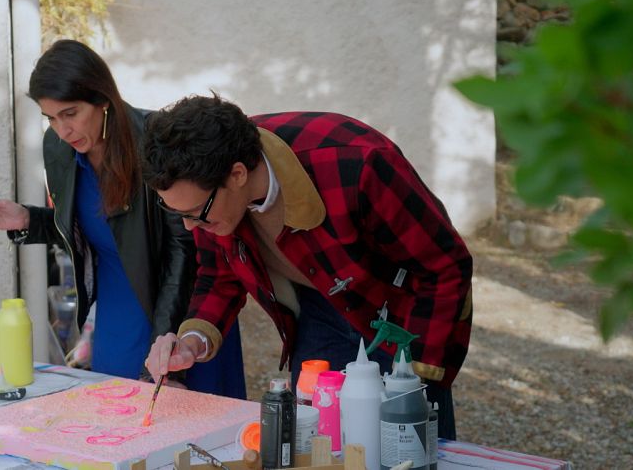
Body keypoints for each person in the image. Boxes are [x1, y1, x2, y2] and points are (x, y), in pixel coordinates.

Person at [141, 94, 472, 438]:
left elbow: (445, 265)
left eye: (195, 213)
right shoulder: (208, 189)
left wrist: (415, 372)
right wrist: (192, 341)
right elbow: (218, 276)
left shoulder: (360, 163)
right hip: (319, 308)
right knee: (315, 437)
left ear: (237, 174)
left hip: (403, 312)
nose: (190, 226)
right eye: (178, 214)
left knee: (408, 440)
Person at [0, 42, 246, 399]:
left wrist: (168, 350)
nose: (62, 130)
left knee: (193, 420)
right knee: (115, 414)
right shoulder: (58, 147)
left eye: (70, 113)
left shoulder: (155, 138)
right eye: (51, 118)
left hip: (182, 308)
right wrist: (28, 218)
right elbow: (90, 228)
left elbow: (184, 253)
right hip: (117, 314)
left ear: (102, 98)